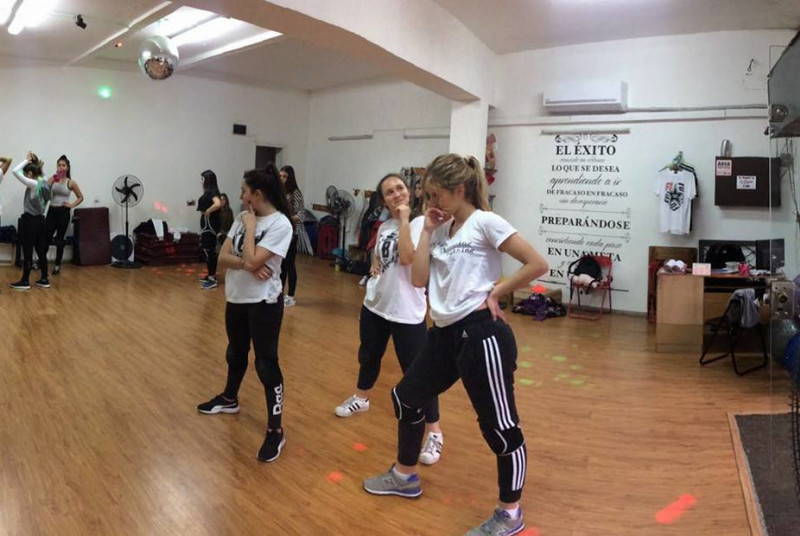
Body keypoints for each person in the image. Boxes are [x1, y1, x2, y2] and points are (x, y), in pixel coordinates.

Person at [363, 154, 548, 536]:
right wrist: (428, 231)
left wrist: (496, 293)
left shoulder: (485, 222)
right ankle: (405, 476)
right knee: (407, 398)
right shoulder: (440, 228)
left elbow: (535, 264)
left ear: (459, 190)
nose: (431, 202)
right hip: (444, 333)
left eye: (437, 195)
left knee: (500, 427)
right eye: (427, 195)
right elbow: (418, 280)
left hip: (482, 334)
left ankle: (510, 514)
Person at [335, 173, 445, 465]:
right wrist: (374, 266)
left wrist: (406, 219)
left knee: (418, 373)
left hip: (407, 312)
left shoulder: (421, 224)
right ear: (383, 200)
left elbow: (407, 259)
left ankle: (434, 432)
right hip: (376, 305)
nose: (397, 194)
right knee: (368, 356)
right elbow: (380, 256)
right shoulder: (384, 226)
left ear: (409, 192)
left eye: (400, 188)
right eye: (389, 192)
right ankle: (361, 398)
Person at [197, 164, 293, 463]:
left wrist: (251, 232)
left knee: (266, 364)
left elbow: (252, 259)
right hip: (236, 297)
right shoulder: (241, 218)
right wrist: (247, 264)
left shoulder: (280, 225)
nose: (240, 196)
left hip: (264, 302)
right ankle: (229, 398)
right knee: (235, 352)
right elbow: (223, 258)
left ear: (258, 194)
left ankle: (276, 430)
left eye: (244, 191)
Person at [10, 152, 52, 290]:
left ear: (29, 173)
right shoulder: (43, 183)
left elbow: (14, 171)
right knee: (41, 251)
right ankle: (44, 278)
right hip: (41, 221)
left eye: (26, 174)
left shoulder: (33, 183)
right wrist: (40, 167)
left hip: (30, 222)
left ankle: (25, 281)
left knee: (28, 251)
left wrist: (26, 160)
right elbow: (42, 175)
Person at [45, 155, 83, 275]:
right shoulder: (53, 179)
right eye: (59, 165)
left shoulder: (70, 182)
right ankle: (41, 262)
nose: (61, 167)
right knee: (46, 237)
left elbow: (80, 197)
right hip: (51, 211)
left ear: (67, 168)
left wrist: (71, 205)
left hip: (63, 212)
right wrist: (52, 180)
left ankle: (57, 265)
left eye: (63, 165)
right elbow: (43, 190)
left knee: (60, 239)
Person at [279, 165, 304, 307]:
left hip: (291, 233)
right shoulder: (278, 192)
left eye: (285, 176)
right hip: (280, 233)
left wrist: (289, 219)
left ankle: (291, 295)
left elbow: (301, 214)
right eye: (280, 176)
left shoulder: (295, 193)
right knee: (281, 265)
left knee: (290, 265)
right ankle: (280, 292)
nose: (282, 179)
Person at [197, 170, 222, 290]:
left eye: (202, 179)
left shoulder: (213, 192)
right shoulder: (208, 192)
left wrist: (208, 211)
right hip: (206, 224)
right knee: (206, 249)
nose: (201, 182)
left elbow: (218, 204)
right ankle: (210, 274)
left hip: (210, 225)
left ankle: (213, 278)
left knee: (209, 250)